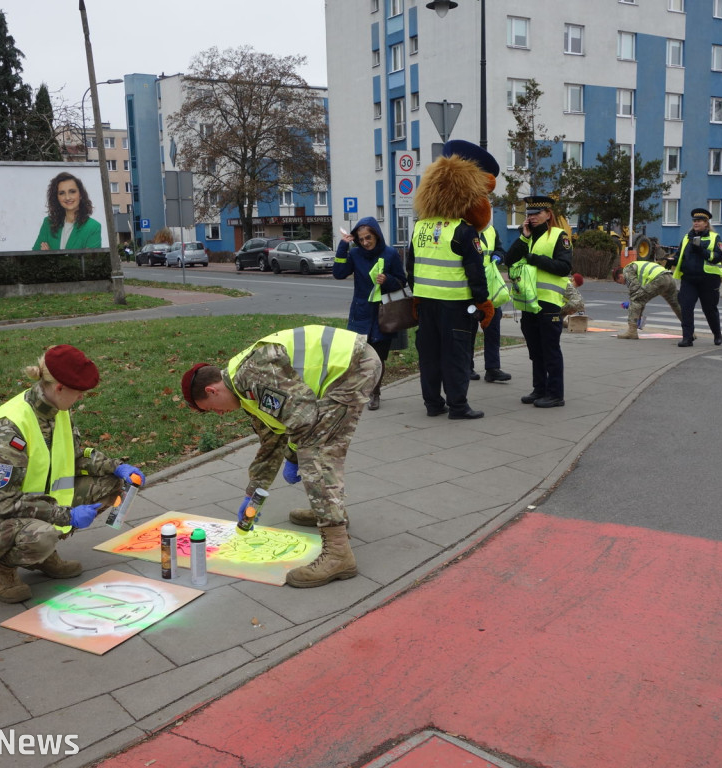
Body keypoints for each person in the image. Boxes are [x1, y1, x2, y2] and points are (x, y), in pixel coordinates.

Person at [180, 325, 381, 588]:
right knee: (311, 450)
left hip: (353, 367)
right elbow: (271, 443)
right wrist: (253, 493)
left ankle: (338, 554)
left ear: (211, 391)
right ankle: (329, 510)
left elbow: (304, 419)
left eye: (211, 410)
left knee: (317, 455)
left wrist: (296, 456)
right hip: (345, 366)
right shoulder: (246, 392)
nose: (219, 414)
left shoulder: (250, 376)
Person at [0, 345, 146, 603]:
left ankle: (42, 555)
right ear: (60, 388)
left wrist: (117, 467)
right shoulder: (9, 430)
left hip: (29, 505)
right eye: (78, 393)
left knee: (111, 486)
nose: (81, 399)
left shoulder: (57, 410)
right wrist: (66, 515)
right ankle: (2, 566)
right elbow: (2, 503)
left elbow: (75, 455)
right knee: (41, 536)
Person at [407, 139, 496, 420]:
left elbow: (412, 266)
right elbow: (475, 272)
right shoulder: (463, 231)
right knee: (455, 356)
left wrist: (416, 295)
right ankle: (458, 406)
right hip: (456, 306)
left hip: (425, 303)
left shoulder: (420, 227)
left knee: (429, 357)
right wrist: (483, 302)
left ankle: (433, 404)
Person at [505, 195, 574, 408]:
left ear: (548, 214)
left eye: (537, 214)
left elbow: (564, 267)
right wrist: (524, 238)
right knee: (535, 349)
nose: (532, 218)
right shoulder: (527, 237)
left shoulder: (559, 237)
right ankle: (539, 389)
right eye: (529, 215)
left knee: (550, 349)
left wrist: (534, 259)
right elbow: (509, 260)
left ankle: (555, 394)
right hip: (529, 302)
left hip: (548, 302)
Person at [333, 216, 408, 411]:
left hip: (383, 314)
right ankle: (361, 390)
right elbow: (339, 272)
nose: (365, 242)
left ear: (376, 235)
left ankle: (375, 392)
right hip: (361, 312)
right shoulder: (356, 254)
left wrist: (388, 280)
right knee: (360, 356)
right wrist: (343, 246)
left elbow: (402, 281)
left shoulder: (390, 254)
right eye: (361, 239)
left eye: (369, 238)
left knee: (378, 357)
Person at [670, 207, 722, 347]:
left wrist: (702, 250)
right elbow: (680, 256)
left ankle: (717, 334)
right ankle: (687, 338)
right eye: (695, 220)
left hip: (709, 280)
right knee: (686, 307)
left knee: (709, 309)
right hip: (689, 279)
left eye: (700, 221)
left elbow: (718, 257)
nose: (696, 223)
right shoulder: (687, 237)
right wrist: (671, 261)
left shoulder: (714, 237)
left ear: (706, 223)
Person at [470, 223, 512, 383]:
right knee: (469, 329)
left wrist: (498, 256)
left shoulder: (491, 230)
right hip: (470, 287)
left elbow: (501, 250)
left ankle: (492, 368)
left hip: (490, 287)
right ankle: (467, 367)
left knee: (493, 329)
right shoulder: (463, 228)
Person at [612, 260, 683, 339]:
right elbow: (643, 296)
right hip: (669, 277)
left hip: (659, 279)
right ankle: (689, 330)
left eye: (619, 282)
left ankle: (632, 331)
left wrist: (632, 305)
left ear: (620, 276)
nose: (622, 284)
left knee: (635, 300)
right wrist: (639, 315)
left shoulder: (627, 270)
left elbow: (636, 293)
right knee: (676, 305)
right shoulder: (636, 267)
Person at [32, 172, 102, 251]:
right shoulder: (48, 223)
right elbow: (35, 257)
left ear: (80, 194)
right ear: (57, 197)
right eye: (62, 193)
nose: (67, 197)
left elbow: (91, 262)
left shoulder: (93, 227)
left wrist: (50, 255)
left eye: (72, 191)